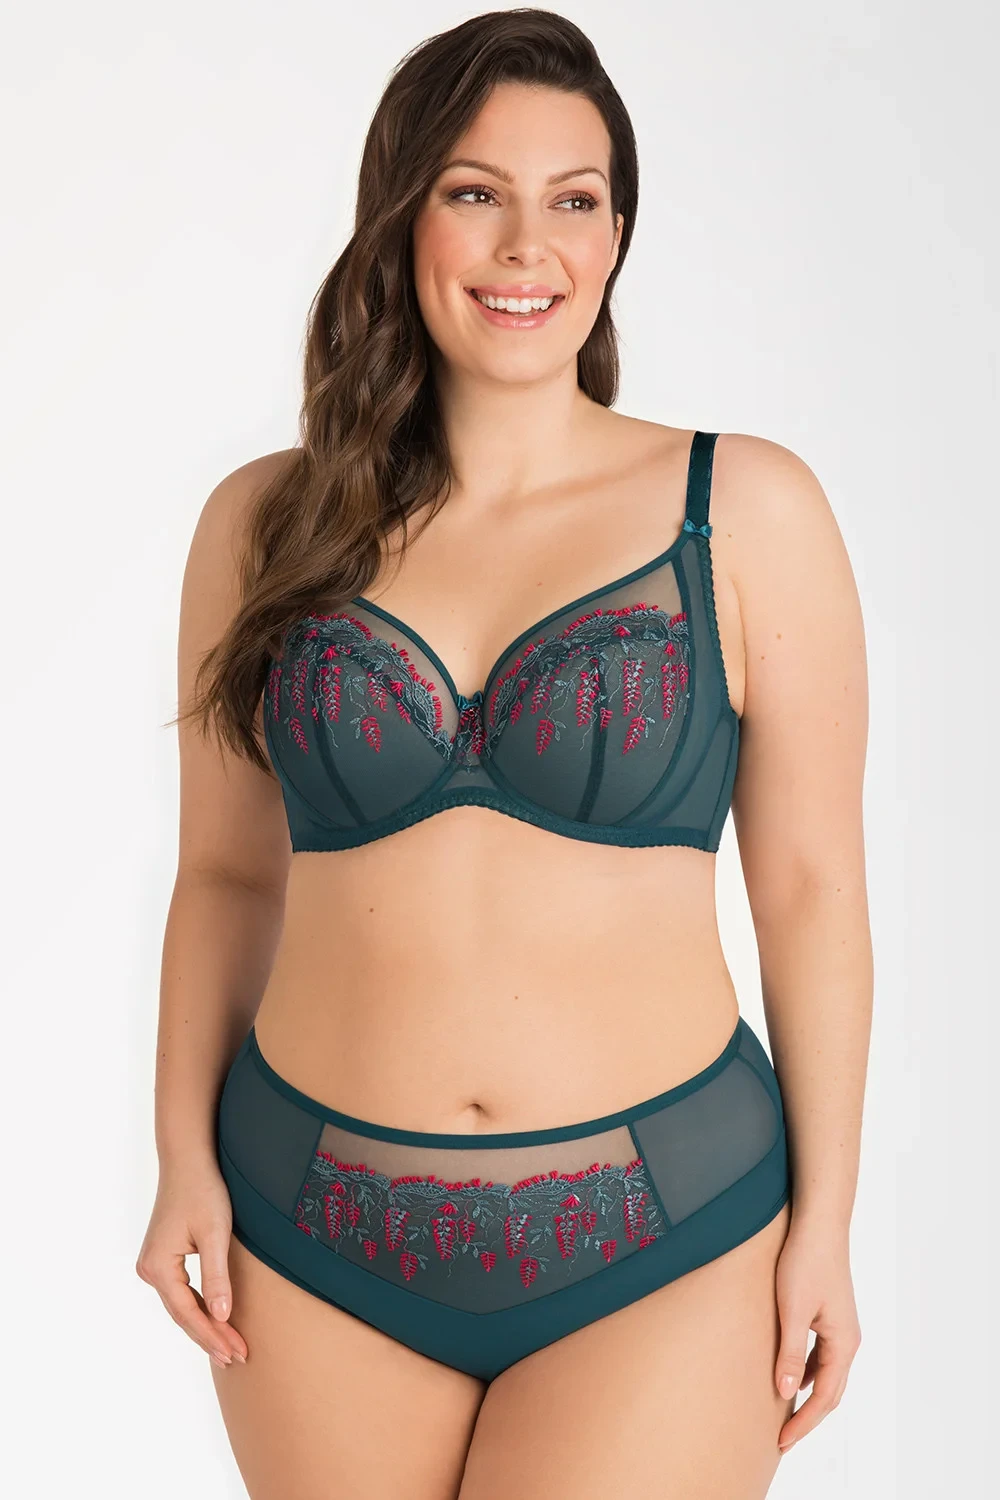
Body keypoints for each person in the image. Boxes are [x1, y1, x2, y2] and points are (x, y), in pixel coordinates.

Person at [136, 10, 871, 1498]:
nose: (527, 245)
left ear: (616, 237)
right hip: (308, 1231)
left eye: (574, 199)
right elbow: (223, 874)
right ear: (401, 217)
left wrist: (829, 1227)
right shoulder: (265, 524)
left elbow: (810, 889)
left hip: (668, 1241)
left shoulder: (745, 511)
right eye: (475, 192)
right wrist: (179, 1160)